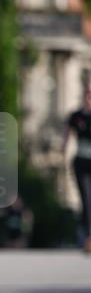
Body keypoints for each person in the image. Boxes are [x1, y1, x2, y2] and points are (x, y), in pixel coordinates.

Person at [62, 85, 91, 253]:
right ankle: (88, 237)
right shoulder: (76, 116)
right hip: (81, 162)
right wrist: (63, 148)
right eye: (87, 94)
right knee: (86, 199)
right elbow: (66, 135)